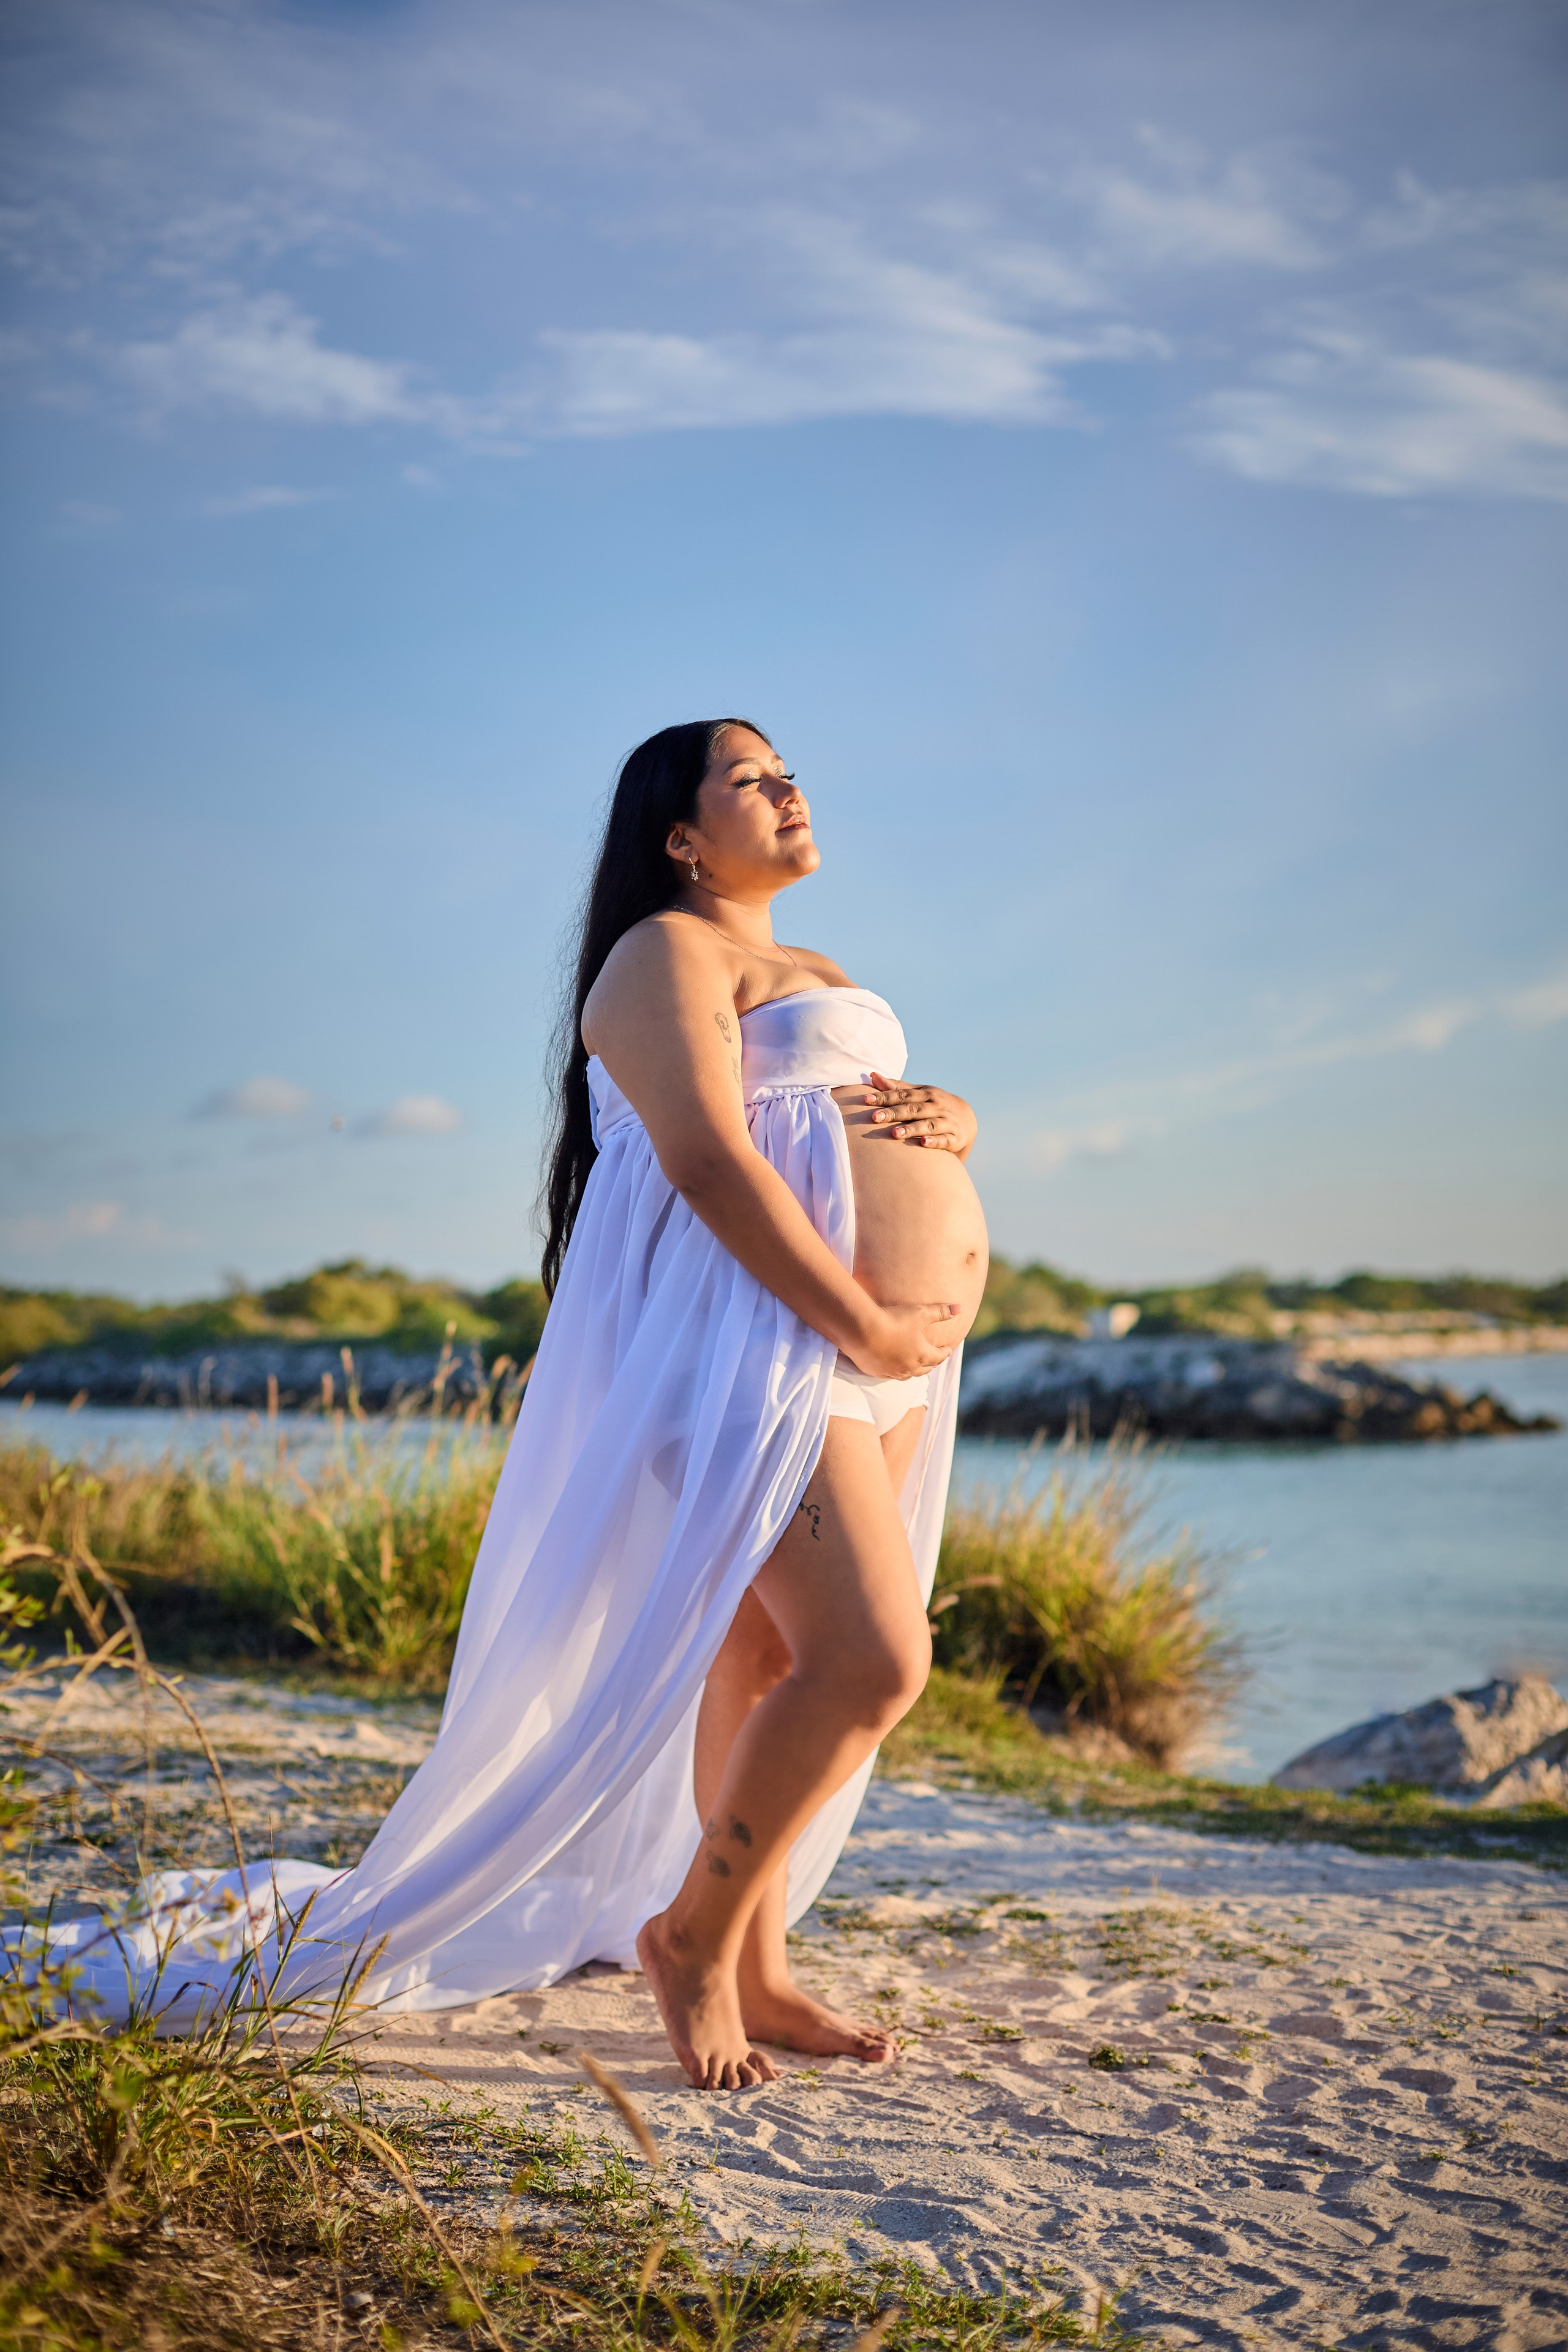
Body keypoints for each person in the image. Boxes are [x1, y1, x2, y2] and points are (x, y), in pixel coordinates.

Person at [29, 719, 988, 2097]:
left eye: (791, 772)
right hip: (750, 1350)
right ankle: (693, 1939)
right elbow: (712, 1161)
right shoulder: (663, 953)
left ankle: (763, 1963)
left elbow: (849, 1116)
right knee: (874, 1664)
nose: (789, 790)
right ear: (677, 835)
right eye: (751, 779)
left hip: (866, 1359)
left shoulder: (819, 970)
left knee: (764, 1664)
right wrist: (862, 1316)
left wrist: (951, 1122)